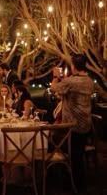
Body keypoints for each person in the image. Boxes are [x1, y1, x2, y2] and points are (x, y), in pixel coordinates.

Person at [51, 54, 94, 190]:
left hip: (72, 127)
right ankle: (78, 182)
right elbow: (71, 88)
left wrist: (55, 76)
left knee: (52, 141)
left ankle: (72, 183)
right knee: (78, 156)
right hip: (86, 125)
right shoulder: (89, 81)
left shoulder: (72, 81)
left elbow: (54, 88)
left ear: (73, 67)